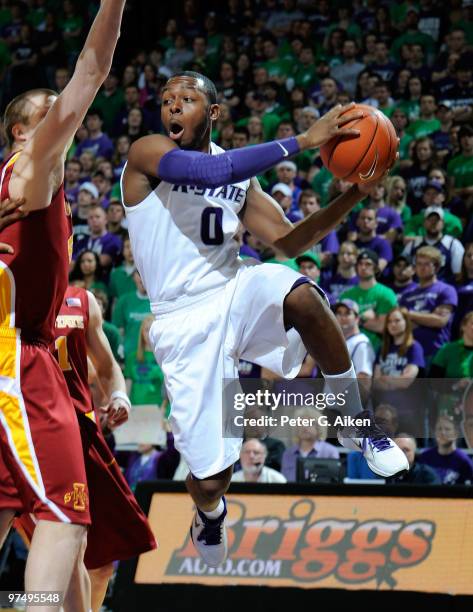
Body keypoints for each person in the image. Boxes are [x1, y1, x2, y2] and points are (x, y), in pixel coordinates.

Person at [121, 71, 407, 567]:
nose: (172, 108)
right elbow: (211, 173)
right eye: (167, 100)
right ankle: (209, 512)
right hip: (182, 320)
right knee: (212, 477)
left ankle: (352, 416)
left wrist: (355, 195)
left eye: (187, 100)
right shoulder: (147, 153)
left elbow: (289, 241)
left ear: (212, 113)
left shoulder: (240, 178)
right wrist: (304, 139)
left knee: (298, 293)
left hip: (233, 289)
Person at [0, 1, 126, 608]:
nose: (62, 118)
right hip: (18, 360)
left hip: (19, 358)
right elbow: (93, 69)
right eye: (46, 115)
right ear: (22, 133)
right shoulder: (33, 167)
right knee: (65, 518)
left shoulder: (22, 188)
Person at [9, 286, 157, 612]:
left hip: (78, 431)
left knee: (89, 556)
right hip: (23, 426)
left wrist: (119, 395)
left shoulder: (82, 300)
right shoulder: (12, 292)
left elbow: (105, 368)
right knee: (59, 546)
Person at [400, 246, 458, 362]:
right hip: (410, 353)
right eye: (419, 264)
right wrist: (429, 317)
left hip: (436, 352)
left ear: (436, 267)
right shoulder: (406, 295)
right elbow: (403, 324)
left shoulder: (446, 290)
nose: (422, 268)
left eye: (427, 264)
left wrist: (410, 314)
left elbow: (440, 321)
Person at [340, 249, 398, 350]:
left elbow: (384, 327)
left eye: (368, 264)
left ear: (376, 268)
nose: (363, 267)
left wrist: (359, 320)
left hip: (377, 351)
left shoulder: (386, 294)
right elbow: (340, 324)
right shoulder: (347, 295)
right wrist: (365, 318)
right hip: (348, 349)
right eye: (360, 264)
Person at [281, 407, 340, 482]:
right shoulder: (288, 454)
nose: (304, 427)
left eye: (310, 423)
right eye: (300, 423)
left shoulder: (330, 452)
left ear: (319, 427)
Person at [334, 299, 375, 395]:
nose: (342, 317)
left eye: (348, 313)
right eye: (339, 313)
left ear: (357, 318)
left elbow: (364, 381)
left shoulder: (361, 344)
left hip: (346, 407)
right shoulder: (339, 341)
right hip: (331, 405)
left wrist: (353, 409)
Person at [417, 416, 473, 485]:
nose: (442, 432)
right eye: (439, 429)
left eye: (447, 429)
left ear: (456, 434)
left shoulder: (463, 460)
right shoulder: (425, 457)